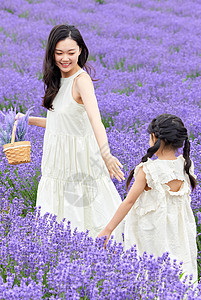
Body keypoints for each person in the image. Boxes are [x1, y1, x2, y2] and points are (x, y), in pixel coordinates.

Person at [20, 24, 125, 238]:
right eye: (59, 53)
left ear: (80, 51)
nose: (65, 58)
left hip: (79, 160)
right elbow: (61, 122)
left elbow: (96, 120)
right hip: (57, 160)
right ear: (51, 53)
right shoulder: (57, 80)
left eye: (70, 52)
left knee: (83, 215)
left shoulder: (82, 81)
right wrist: (27, 120)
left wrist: (106, 154)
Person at [98, 114, 198, 278]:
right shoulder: (186, 164)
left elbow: (128, 202)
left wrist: (108, 229)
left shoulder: (148, 169)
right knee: (180, 268)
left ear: (155, 137)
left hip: (152, 230)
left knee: (150, 271)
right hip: (179, 230)